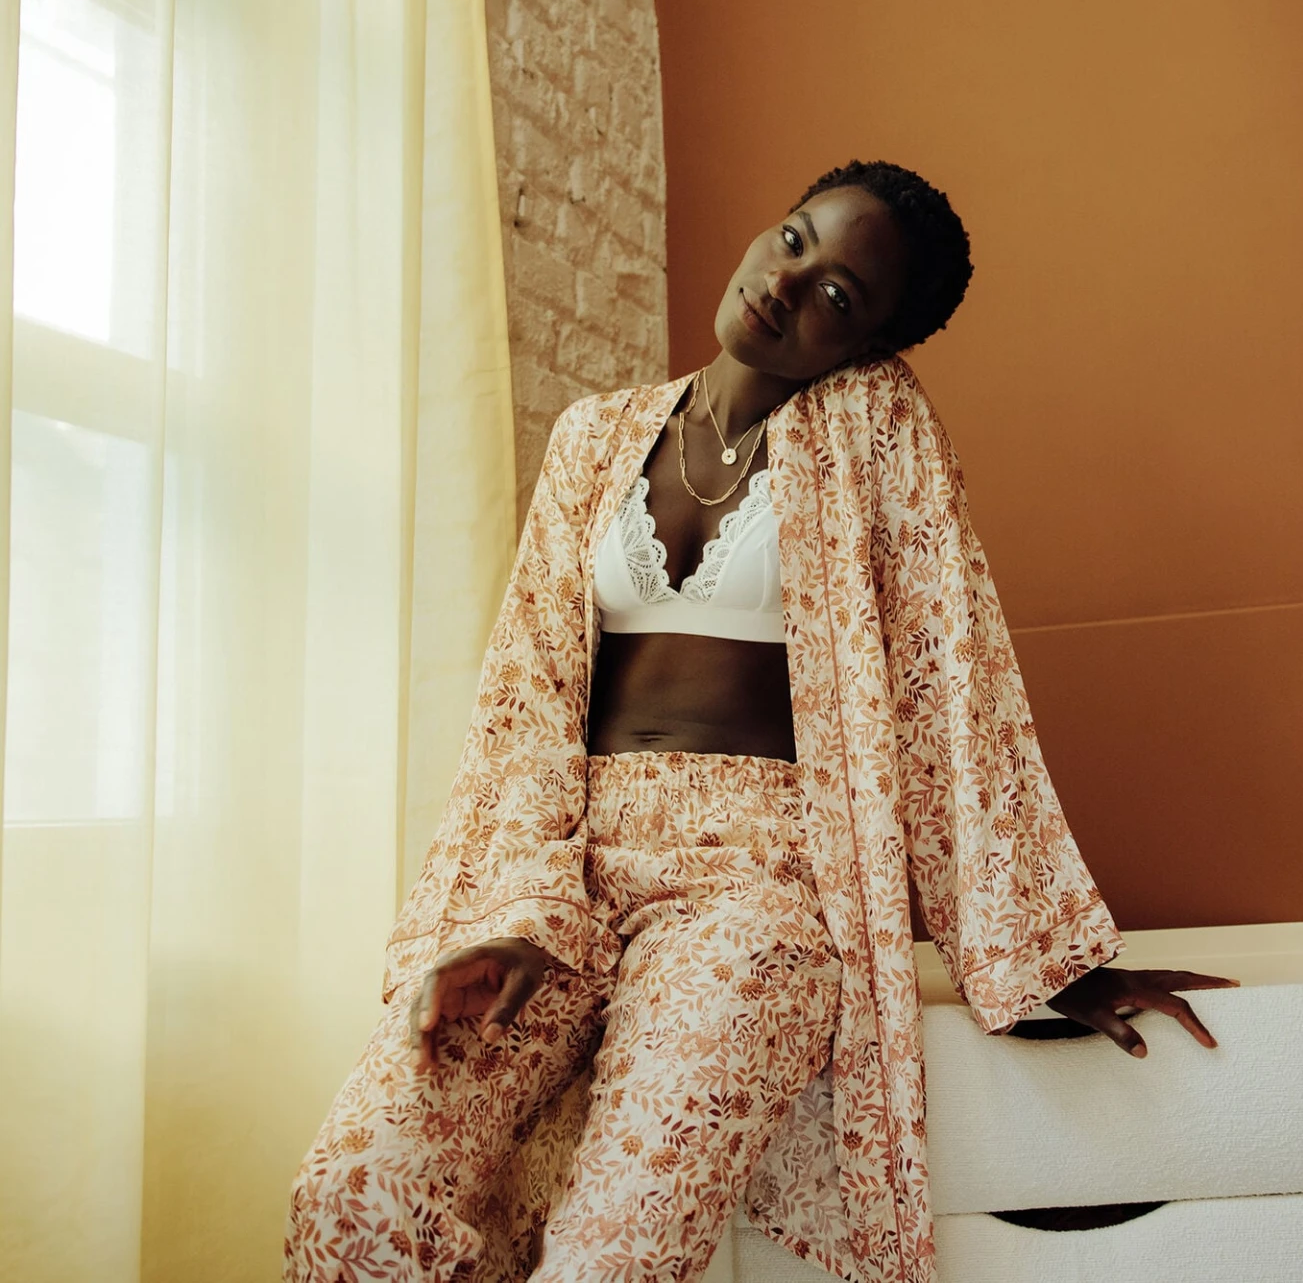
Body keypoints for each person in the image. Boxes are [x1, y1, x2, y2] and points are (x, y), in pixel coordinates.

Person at [285, 160, 1235, 1283]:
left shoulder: (874, 438)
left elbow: (950, 680)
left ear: (869, 347)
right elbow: (527, 694)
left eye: (837, 295)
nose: (786, 285)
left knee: (614, 1252)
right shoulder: (592, 438)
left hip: (758, 889)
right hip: (568, 877)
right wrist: (511, 912)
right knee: (354, 1186)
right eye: (793, 240)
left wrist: (1041, 958)